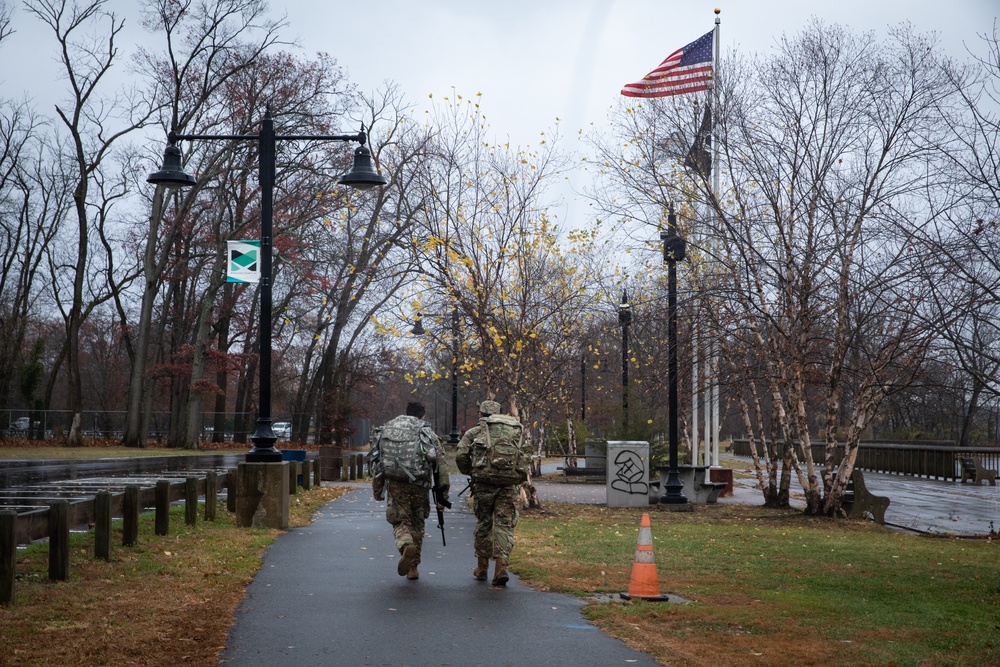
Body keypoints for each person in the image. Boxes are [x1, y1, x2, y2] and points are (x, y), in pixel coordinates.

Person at [370, 401, 449, 581]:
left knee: (399, 520)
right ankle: (413, 567)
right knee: (418, 523)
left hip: (396, 485)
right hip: (420, 486)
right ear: (423, 416)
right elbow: (440, 467)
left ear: (406, 413)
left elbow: (379, 461)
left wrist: (378, 490)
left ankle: (405, 544)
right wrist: (442, 497)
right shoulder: (428, 433)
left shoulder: (389, 429)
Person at [455, 399, 526, 587]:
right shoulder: (514, 429)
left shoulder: (474, 432)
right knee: (504, 525)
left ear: (480, 414)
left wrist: (470, 471)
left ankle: (482, 567)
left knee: (484, 523)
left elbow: (461, 454)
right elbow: (526, 453)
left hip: (484, 484)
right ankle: (501, 565)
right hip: (509, 486)